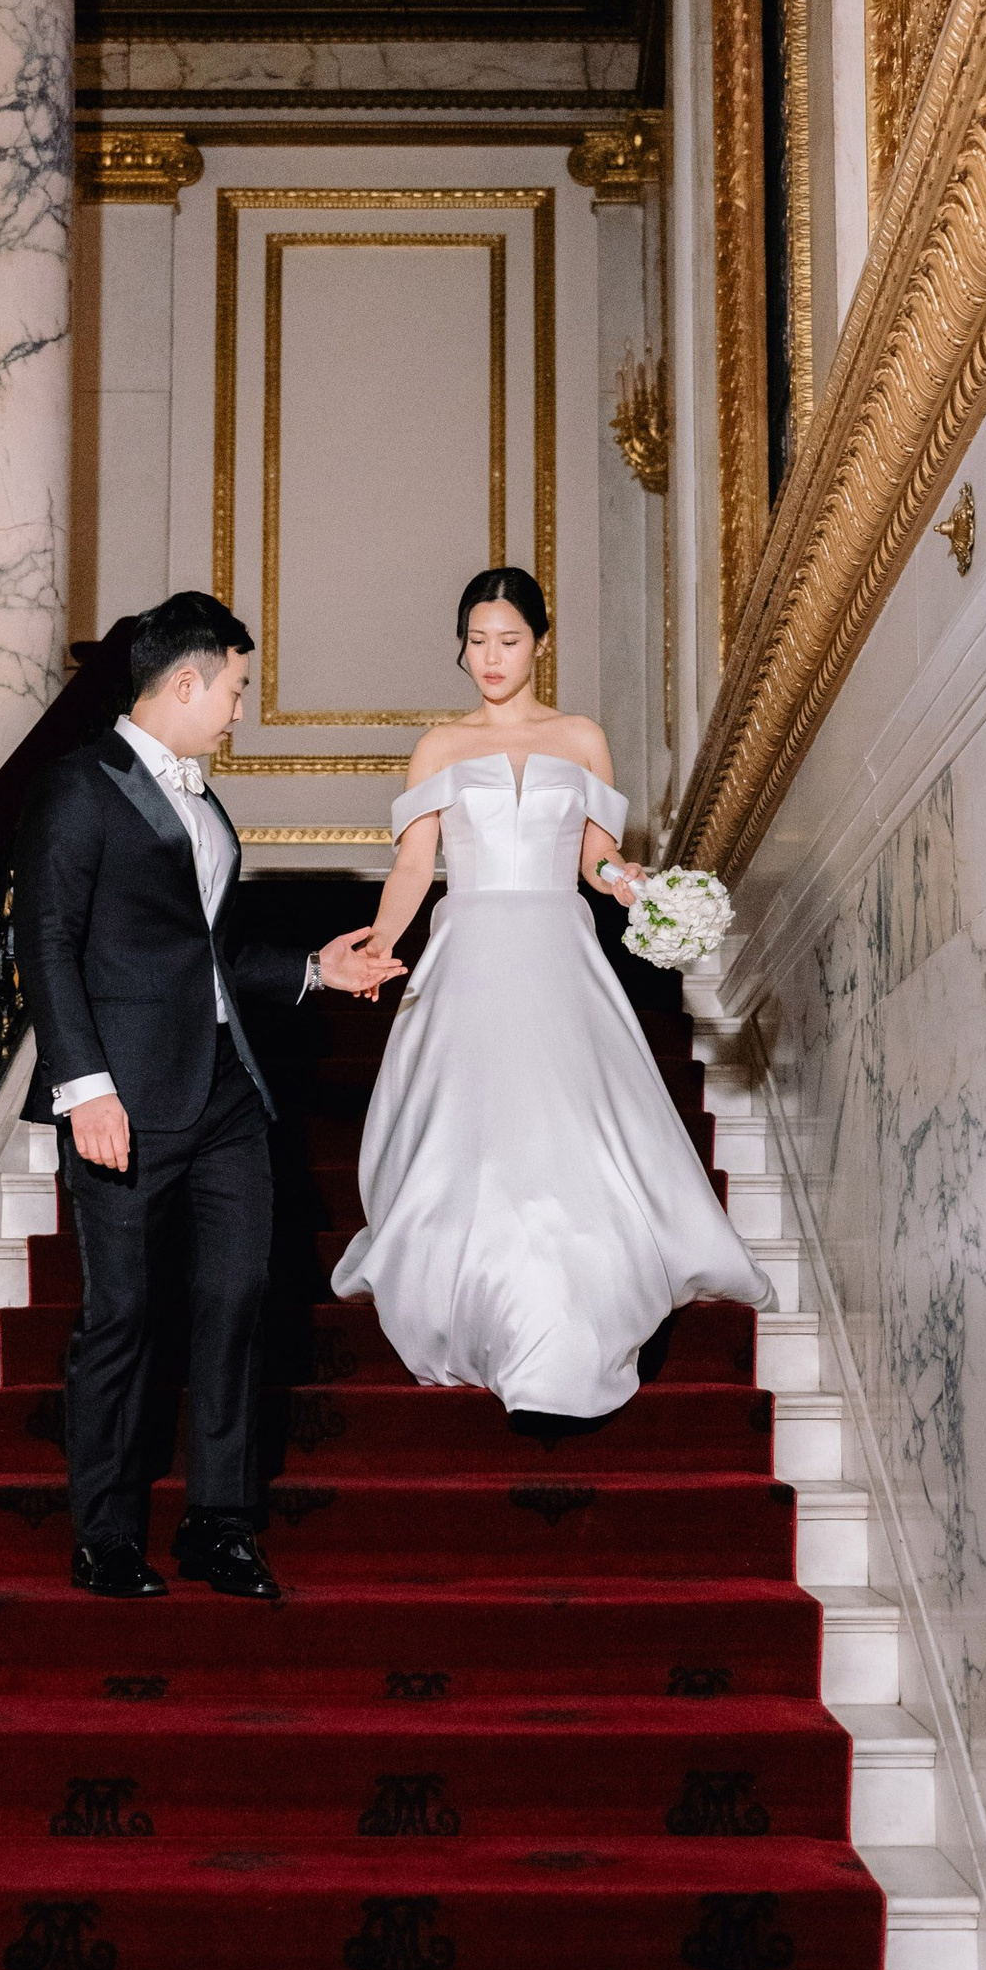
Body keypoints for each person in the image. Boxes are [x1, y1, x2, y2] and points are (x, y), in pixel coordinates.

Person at [14, 591, 391, 1602]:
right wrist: (83, 1088)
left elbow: (209, 954)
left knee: (236, 1304)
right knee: (124, 1317)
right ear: (185, 682)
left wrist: (314, 969)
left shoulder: (207, 802)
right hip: (124, 1102)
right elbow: (46, 942)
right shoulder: (79, 786)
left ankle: (220, 1525)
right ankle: (106, 1538)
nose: (237, 710)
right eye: (232, 688)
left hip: (228, 1091)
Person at [329, 566, 772, 1421]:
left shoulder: (582, 738)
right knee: (478, 1130)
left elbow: (592, 857)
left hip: (557, 944)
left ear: (540, 642)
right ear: (460, 646)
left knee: (568, 1120)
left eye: (509, 640)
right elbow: (417, 865)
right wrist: (383, 942)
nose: (490, 658)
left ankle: (572, 1317)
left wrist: (626, 881)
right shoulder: (439, 747)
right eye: (476, 641)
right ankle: (486, 1301)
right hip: (471, 948)